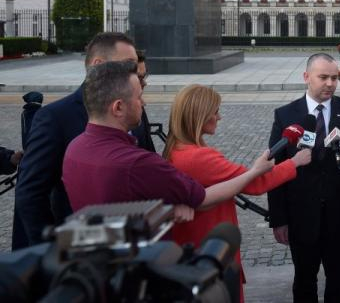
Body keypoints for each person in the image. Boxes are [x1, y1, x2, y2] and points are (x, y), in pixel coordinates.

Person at [62, 61, 270, 218]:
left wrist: (166, 210)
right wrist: (255, 171)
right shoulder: (138, 163)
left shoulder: (74, 148)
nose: (143, 103)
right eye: (138, 97)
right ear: (118, 107)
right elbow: (203, 199)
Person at [165, 84, 313, 301]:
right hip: (211, 249)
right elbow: (256, 182)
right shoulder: (197, 157)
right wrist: (294, 162)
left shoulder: (176, 149)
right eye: (214, 112)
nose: (220, 117)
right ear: (199, 116)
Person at [14, 32, 155, 248]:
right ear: (98, 65)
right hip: (81, 251)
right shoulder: (55, 117)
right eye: (128, 65)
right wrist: (52, 251)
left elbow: (149, 163)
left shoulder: (134, 106)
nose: (136, 74)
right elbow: (30, 193)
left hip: (134, 242)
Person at [267, 53, 340, 303]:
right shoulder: (285, 115)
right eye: (323, 77)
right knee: (304, 279)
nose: (330, 83)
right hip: (302, 215)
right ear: (307, 77)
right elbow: (275, 169)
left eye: (334, 78)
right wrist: (278, 218)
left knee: (339, 278)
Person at [134, 49, 157, 152]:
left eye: (144, 76)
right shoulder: (81, 108)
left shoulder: (138, 105)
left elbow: (149, 149)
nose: (144, 83)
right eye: (139, 77)